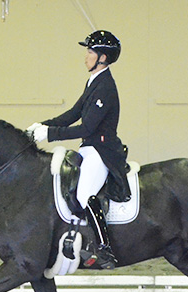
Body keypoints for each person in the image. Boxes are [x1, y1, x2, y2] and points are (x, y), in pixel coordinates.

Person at [26, 30, 130, 270]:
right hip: (89, 148)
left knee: (85, 195)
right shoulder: (94, 81)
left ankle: (105, 249)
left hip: (101, 150)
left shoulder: (106, 87)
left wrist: (50, 135)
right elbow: (73, 114)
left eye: (90, 52)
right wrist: (44, 125)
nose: (86, 56)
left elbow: (87, 128)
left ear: (103, 57)